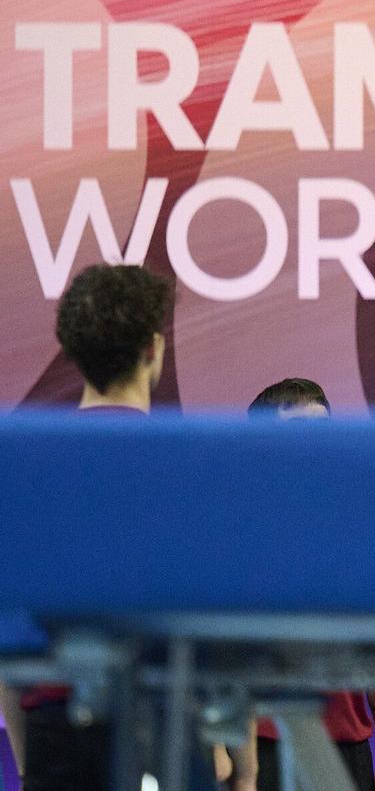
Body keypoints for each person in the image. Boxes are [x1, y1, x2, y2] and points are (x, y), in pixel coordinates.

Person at [0, 265, 247, 791]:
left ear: (74, 351)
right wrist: (216, 746)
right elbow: (205, 616)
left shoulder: (24, 474)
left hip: (56, 731)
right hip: (165, 720)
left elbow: (9, 628)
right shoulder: (189, 466)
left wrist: (27, 755)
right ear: (153, 349)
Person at [243, 380, 375, 791]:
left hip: (347, 753)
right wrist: (236, 764)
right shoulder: (241, 536)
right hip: (262, 751)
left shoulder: (358, 536)